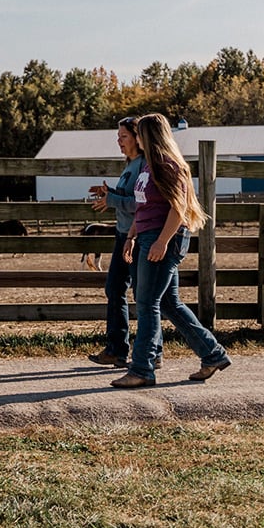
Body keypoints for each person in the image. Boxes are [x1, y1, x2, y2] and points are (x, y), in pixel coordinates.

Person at [111, 113, 231, 388]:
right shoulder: (147, 166)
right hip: (147, 235)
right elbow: (144, 207)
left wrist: (162, 241)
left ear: (150, 136)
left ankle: (142, 369)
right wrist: (131, 236)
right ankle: (213, 354)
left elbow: (179, 208)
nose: (136, 137)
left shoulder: (168, 165)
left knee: (147, 303)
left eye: (139, 133)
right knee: (168, 303)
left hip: (165, 237)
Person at [86, 116, 152, 369]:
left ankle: (143, 351)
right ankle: (119, 349)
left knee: (142, 295)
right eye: (118, 136)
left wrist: (112, 199)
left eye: (123, 136)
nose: (119, 141)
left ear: (137, 137)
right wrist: (109, 194)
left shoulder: (144, 166)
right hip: (123, 233)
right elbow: (129, 198)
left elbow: (141, 204)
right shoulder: (130, 165)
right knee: (116, 290)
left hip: (136, 236)